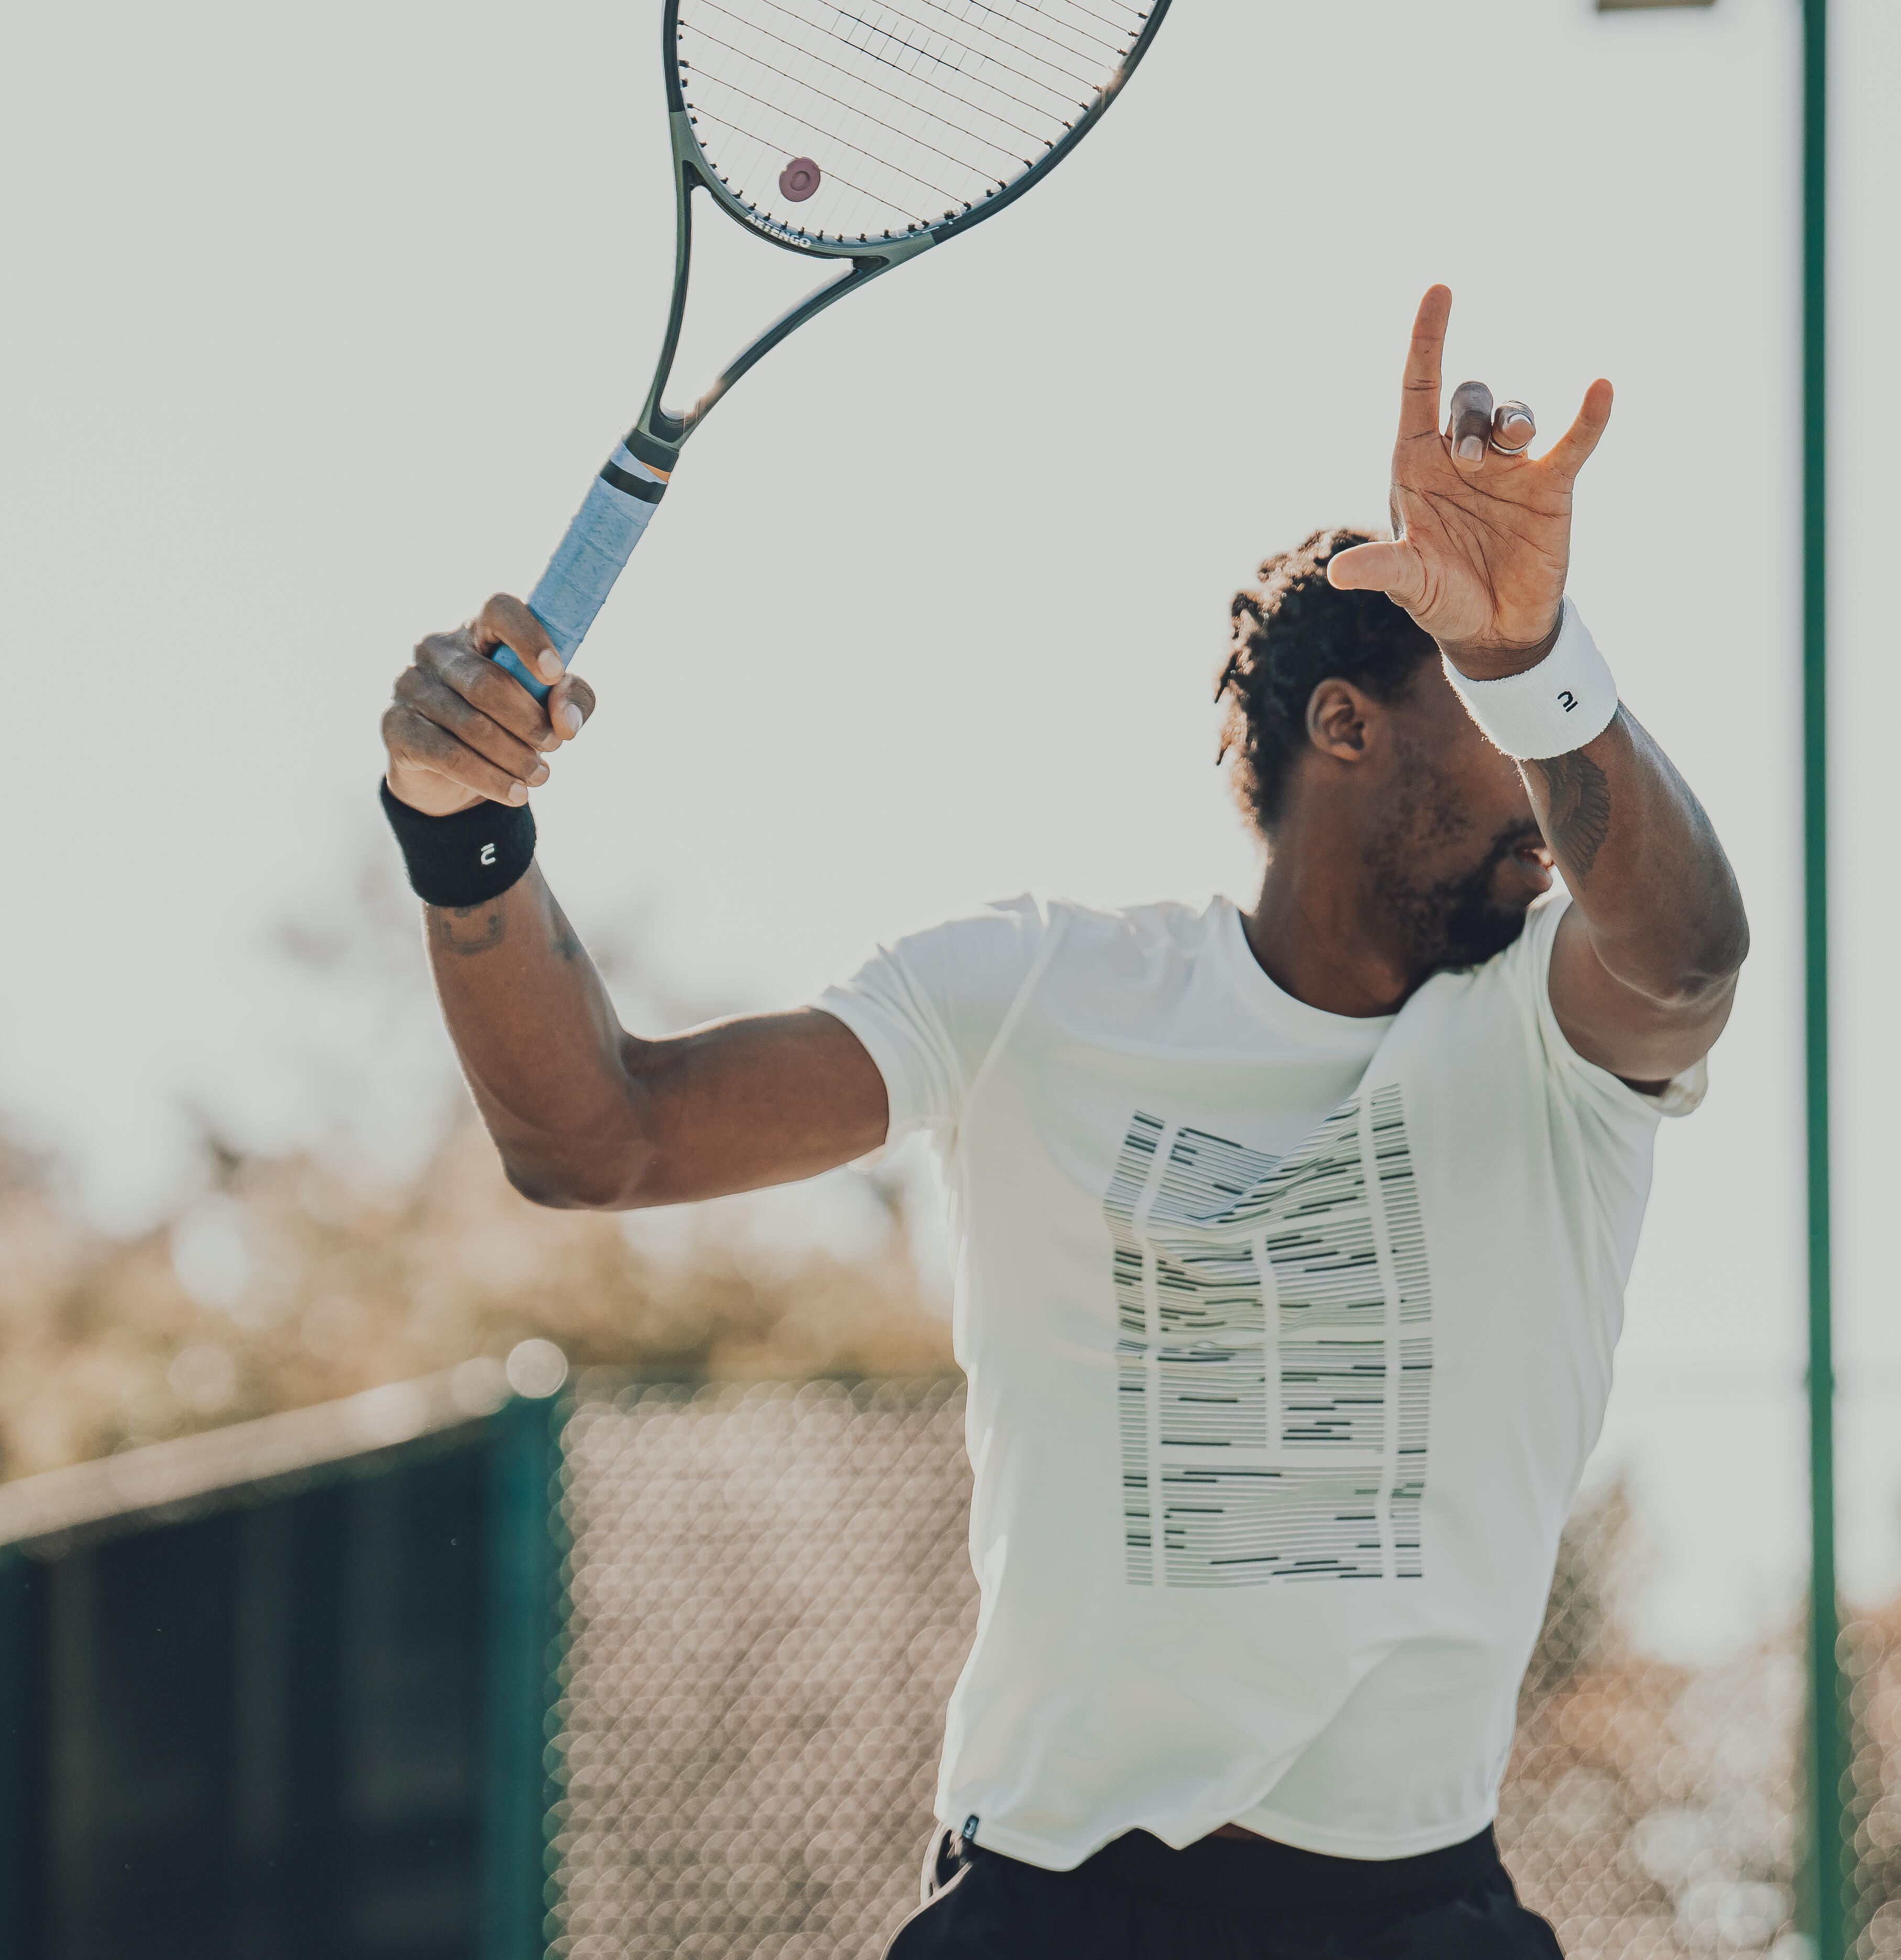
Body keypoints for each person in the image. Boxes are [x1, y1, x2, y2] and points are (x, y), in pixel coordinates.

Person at [377, 286, 1747, 1959]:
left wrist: (1531, 658)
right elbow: (604, 1136)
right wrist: (461, 831)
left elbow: (1687, 958)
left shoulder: (1551, 1031)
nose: (1545, 788)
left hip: (1420, 1910)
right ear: (1345, 724)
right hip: (1054, 1905)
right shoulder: (1039, 992)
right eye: (1476, 694)